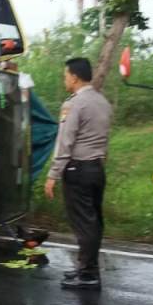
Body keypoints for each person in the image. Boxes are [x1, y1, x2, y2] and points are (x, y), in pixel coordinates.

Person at [44, 57, 113, 290]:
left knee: (84, 224)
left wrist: (53, 174)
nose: (65, 80)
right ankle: (86, 268)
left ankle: (89, 274)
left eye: (66, 75)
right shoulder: (102, 101)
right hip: (96, 168)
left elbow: (66, 141)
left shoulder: (74, 104)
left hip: (78, 169)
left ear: (74, 77)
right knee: (93, 221)